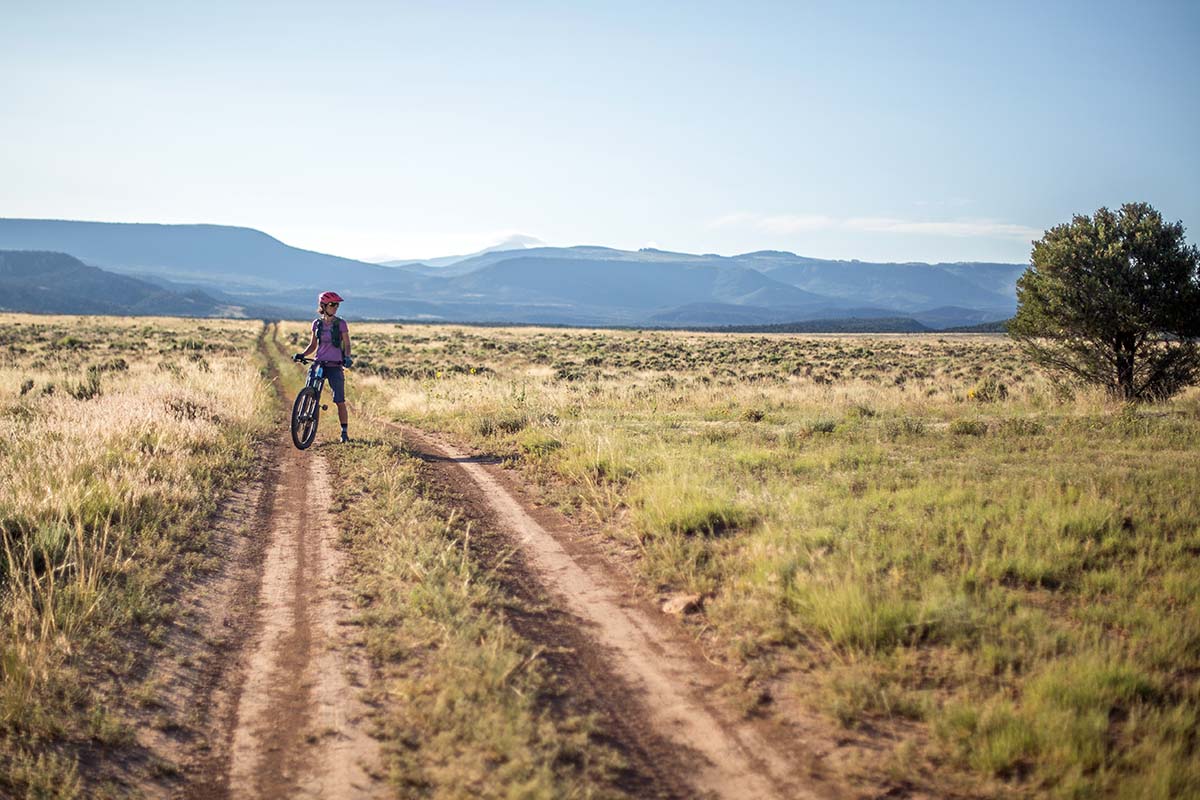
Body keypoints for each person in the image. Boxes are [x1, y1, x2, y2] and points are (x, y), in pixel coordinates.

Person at [294, 291, 354, 443]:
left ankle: (344, 432)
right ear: (323, 306)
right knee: (309, 392)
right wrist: (302, 354)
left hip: (335, 365)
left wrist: (347, 357)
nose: (335, 307)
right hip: (319, 363)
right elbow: (313, 345)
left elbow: (347, 344)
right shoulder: (317, 324)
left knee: (339, 400)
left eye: (337, 305)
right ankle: (302, 418)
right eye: (332, 304)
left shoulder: (341, 324)